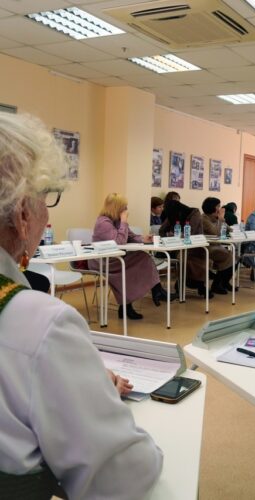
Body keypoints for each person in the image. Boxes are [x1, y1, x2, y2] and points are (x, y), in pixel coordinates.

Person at [0, 112, 162, 498]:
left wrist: (74, 379)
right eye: (47, 199)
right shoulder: (42, 324)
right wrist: (84, 391)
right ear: (22, 214)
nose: (48, 215)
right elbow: (122, 478)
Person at [90, 193, 170, 319]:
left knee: (142, 257)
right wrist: (124, 222)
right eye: (124, 207)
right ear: (116, 207)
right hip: (103, 260)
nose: (126, 209)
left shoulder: (117, 221)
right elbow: (119, 242)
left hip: (116, 258)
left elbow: (131, 237)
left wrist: (144, 238)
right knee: (133, 265)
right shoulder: (103, 222)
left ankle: (135, 302)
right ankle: (154, 292)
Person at [160, 199, 213, 298]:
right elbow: (162, 230)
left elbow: (190, 233)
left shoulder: (194, 213)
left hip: (196, 247)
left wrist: (176, 235)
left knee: (195, 260)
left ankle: (197, 285)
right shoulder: (172, 215)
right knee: (182, 257)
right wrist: (167, 236)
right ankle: (184, 285)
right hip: (179, 247)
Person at [201, 197, 234, 294]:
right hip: (207, 247)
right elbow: (216, 232)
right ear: (212, 207)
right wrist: (220, 220)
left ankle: (224, 282)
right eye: (218, 206)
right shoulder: (204, 219)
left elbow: (230, 230)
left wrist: (222, 221)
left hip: (216, 246)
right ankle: (217, 284)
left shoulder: (216, 218)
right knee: (229, 256)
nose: (220, 208)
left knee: (235, 258)